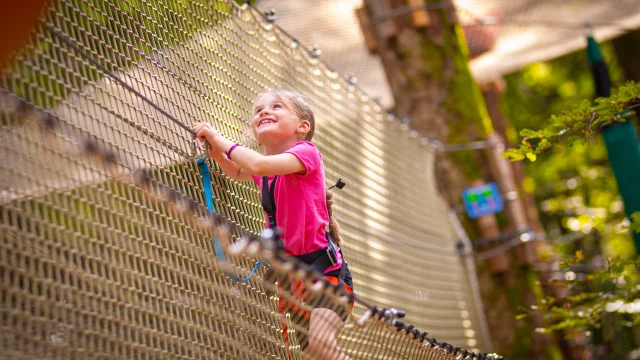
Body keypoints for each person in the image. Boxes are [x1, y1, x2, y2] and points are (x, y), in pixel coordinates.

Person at [193, 89, 354, 360]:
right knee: (315, 352)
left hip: (325, 274)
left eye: (277, 106)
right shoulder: (267, 172)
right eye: (258, 111)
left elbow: (254, 164)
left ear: (303, 127)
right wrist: (218, 155)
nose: (264, 112)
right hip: (293, 281)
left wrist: (219, 140)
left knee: (323, 345)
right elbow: (238, 170)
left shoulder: (306, 153)